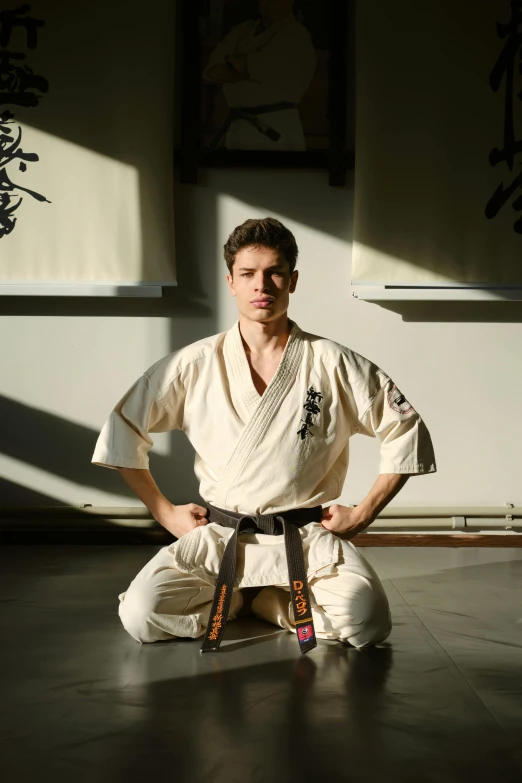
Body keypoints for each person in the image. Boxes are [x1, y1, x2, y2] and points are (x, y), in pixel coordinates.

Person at [92, 217, 437, 652]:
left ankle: (270, 603)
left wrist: (365, 512)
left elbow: (404, 427)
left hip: (305, 535)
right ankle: (240, 599)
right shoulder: (194, 363)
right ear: (231, 282)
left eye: (275, 272)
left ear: (292, 281)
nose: (263, 286)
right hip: (221, 535)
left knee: (367, 621)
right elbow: (123, 428)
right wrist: (165, 512)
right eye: (248, 274)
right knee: (141, 616)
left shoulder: (332, 362)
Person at [203, 0, 317, 150]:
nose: (271, 3)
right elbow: (211, 71)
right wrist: (241, 68)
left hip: (276, 126)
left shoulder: (296, 35)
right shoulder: (242, 30)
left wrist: (236, 64)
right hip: (238, 127)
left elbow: (250, 69)